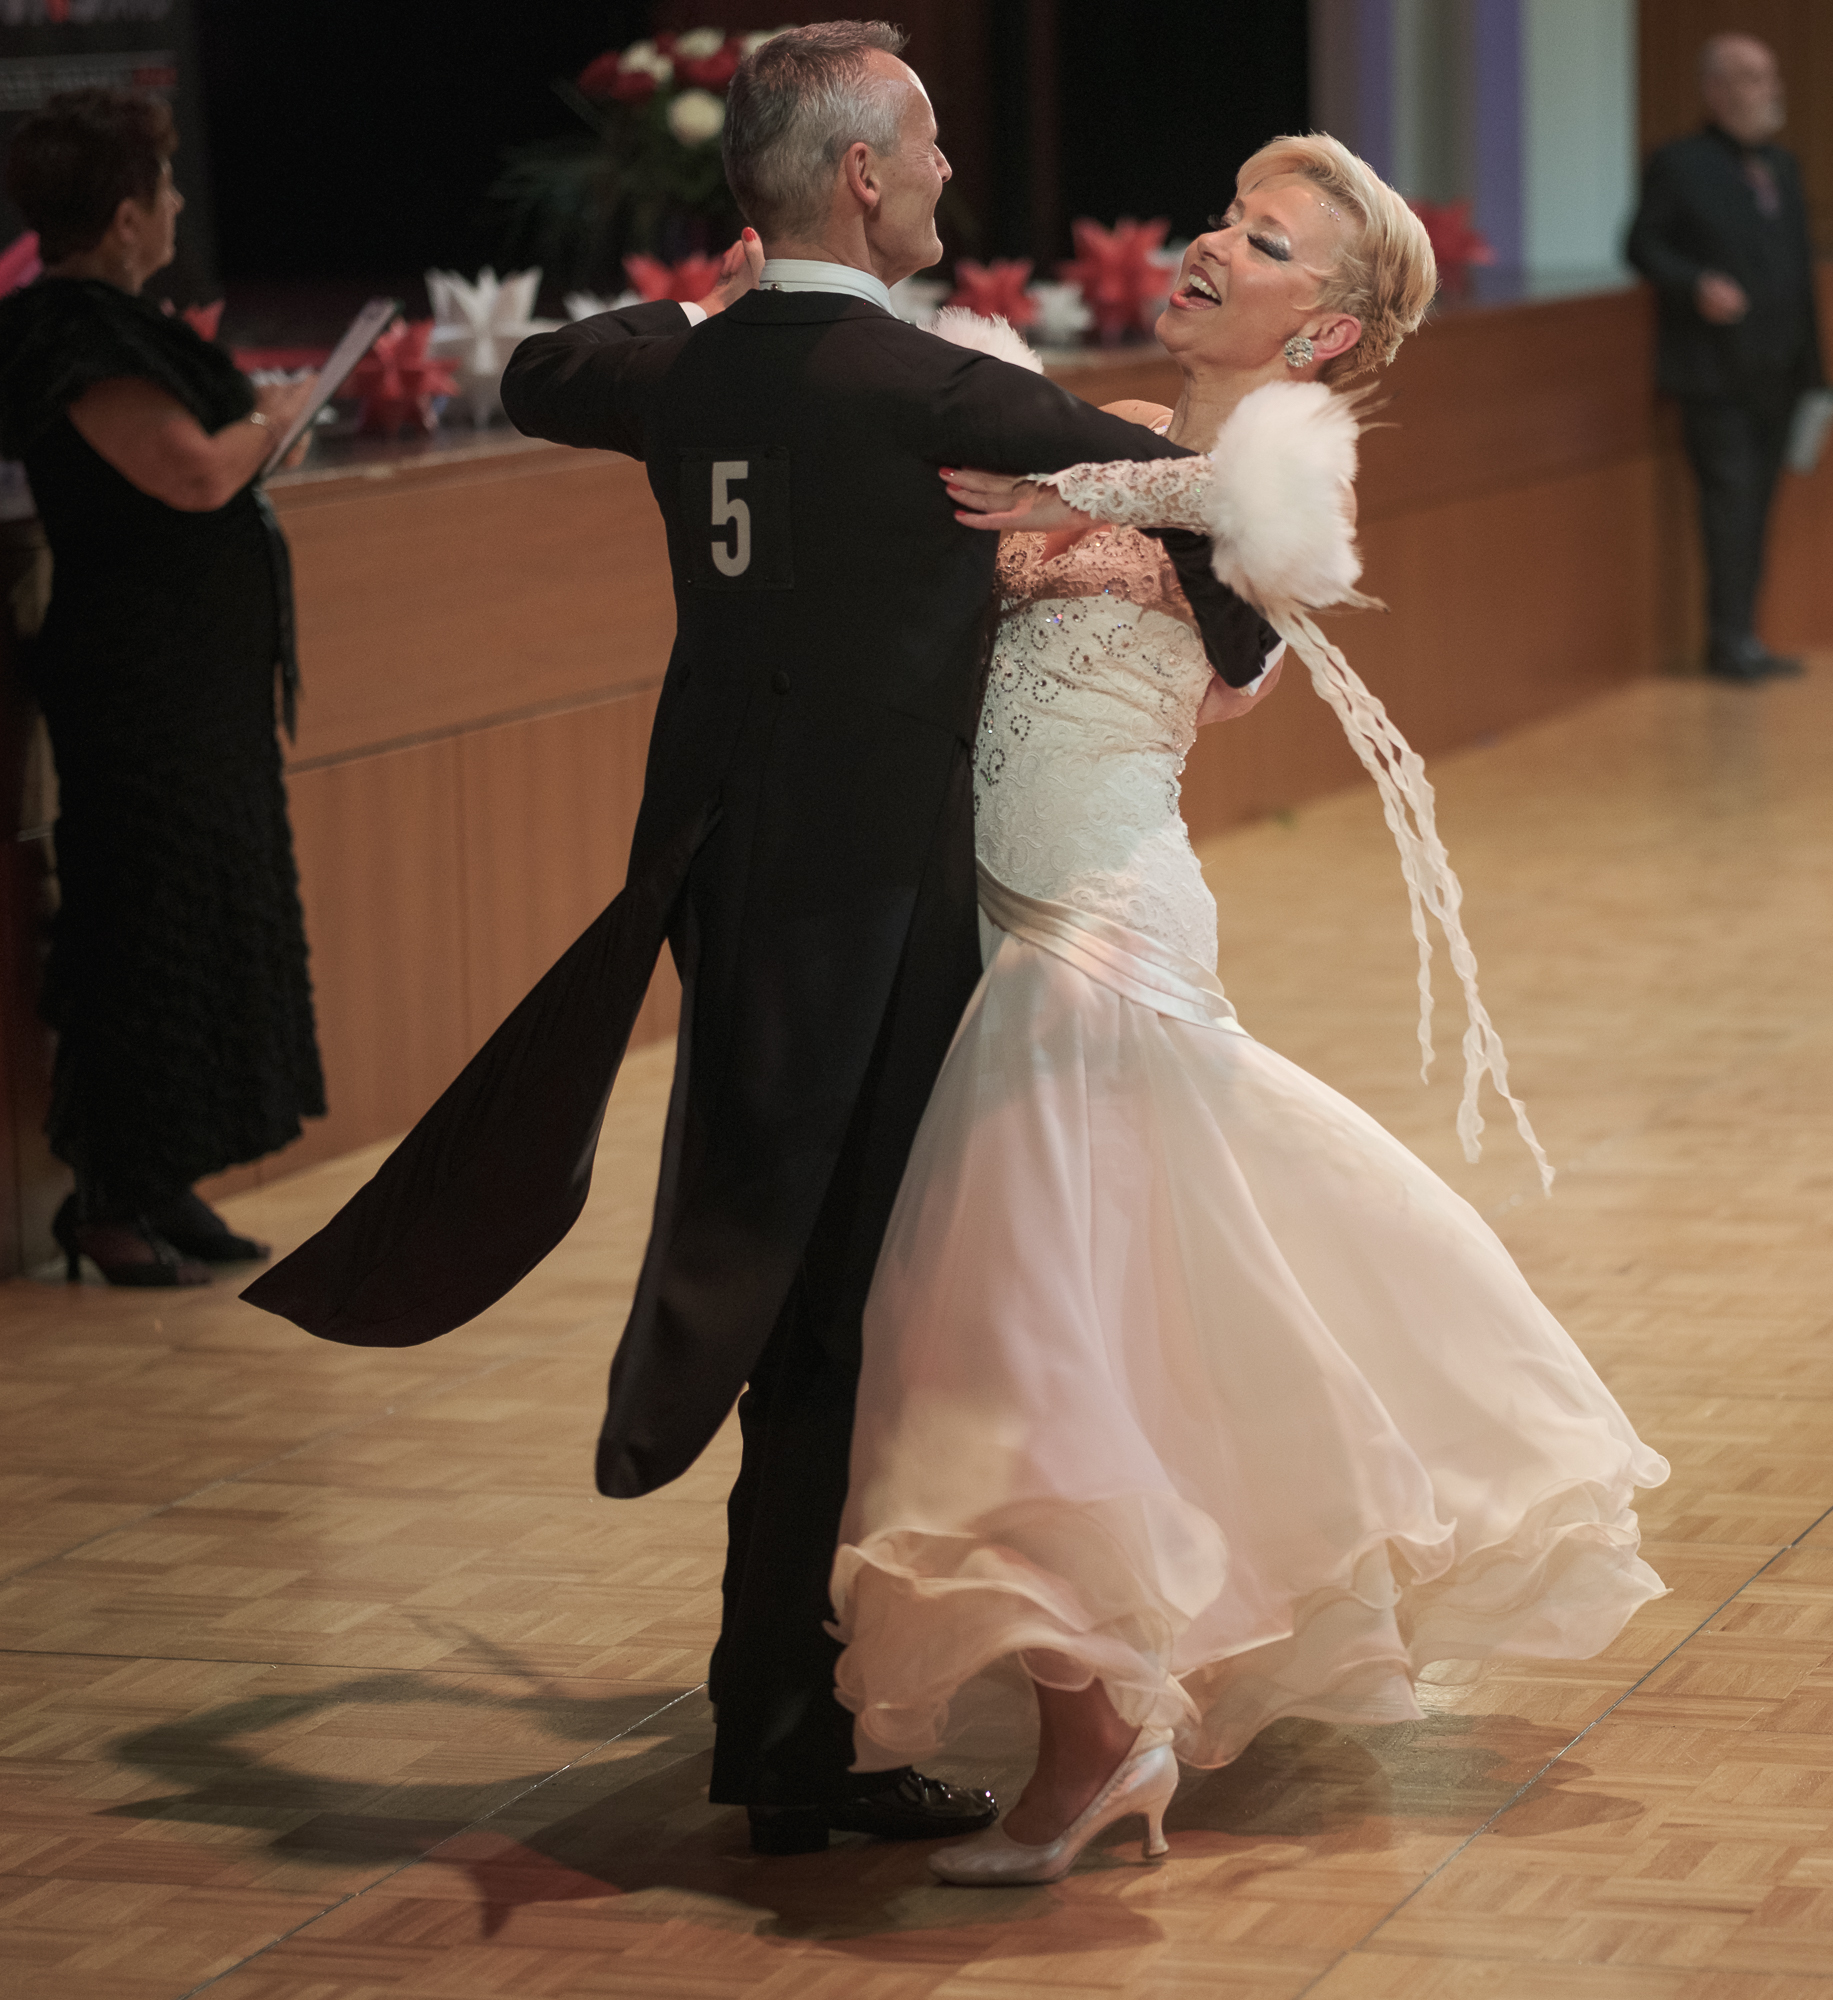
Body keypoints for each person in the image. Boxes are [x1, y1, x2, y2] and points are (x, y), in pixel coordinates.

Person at [240, 22, 1276, 1854]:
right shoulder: (922, 384)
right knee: (855, 1314)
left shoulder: (696, 369)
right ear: (864, 175)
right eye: (927, 144)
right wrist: (1218, 561)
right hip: (877, 919)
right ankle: (797, 1729)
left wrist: (709, 306)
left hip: (728, 892)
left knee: (799, 1291)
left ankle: (788, 1713)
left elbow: (548, 365)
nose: (949, 169)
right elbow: (1190, 498)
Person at [827, 134, 1672, 1885]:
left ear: (1324, 332)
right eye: (1224, 215)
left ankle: (1095, 1735)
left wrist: (1075, 492)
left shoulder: (1277, 468)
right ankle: (1116, 1699)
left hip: (1095, 935)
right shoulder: (1119, 433)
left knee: (1019, 1331)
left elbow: (1253, 539)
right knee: (1088, 1325)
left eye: (1266, 241)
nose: (1212, 243)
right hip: (995, 920)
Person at [0, 88, 322, 1286]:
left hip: (193, 677)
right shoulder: (66, 335)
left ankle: (164, 1176)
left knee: (206, 912)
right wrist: (269, 419)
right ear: (123, 216)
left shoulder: (119, 322)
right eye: (162, 190)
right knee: (142, 922)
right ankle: (108, 1196)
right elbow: (190, 473)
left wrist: (265, 428)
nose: (174, 208)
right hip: (138, 683)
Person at [1627, 33, 1828, 685]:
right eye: (1751, 77)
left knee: (1759, 509)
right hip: (1714, 374)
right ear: (1715, 90)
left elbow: (1802, 273)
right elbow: (1640, 245)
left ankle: (1746, 635)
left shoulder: (1782, 167)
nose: (1770, 89)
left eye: (1770, 75)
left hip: (1781, 371)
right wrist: (1695, 284)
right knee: (1730, 508)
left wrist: (1818, 374)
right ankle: (1727, 642)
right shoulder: (1679, 164)